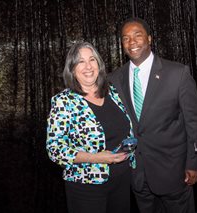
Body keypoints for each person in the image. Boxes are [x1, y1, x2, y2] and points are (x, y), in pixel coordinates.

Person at [109, 17, 197, 213]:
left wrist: (194, 163)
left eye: (137, 35)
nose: (132, 42)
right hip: (137, 174)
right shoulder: (114, 79)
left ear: (150, 39)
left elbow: (194, 122)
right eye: (126, 38)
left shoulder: (177, 73)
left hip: (174, 171)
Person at [46, 41, 135, 213]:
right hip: (87, 186)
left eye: (92, 60)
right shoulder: (63, 102)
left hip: (122, 180)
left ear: (99, 64)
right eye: (80, 61)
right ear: (72, 69)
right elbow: (54, 149)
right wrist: (96, 158)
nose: (88, 66)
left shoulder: (112, 92)